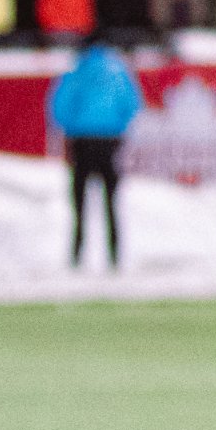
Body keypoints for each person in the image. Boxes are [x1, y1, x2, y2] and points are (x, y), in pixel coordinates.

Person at [47, 37, 143, 271]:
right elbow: (132, 103)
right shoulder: (118, 72)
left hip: (81, 140)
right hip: (110, 140)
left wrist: (71, 127)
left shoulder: (76, 71)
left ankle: (77, 255)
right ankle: (115, 256)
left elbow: (59, 105)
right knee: (111, 201)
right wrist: (118, 128)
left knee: (79, 202)